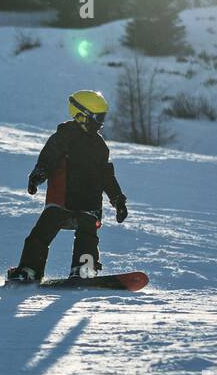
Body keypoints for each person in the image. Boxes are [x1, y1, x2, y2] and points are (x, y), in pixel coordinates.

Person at [7, 91, 128, 284]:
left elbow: (107, 176)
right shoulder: (63, 137)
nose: (100, 123)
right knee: (39, 235)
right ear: (81, 114)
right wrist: (38, 175)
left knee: (87, 236)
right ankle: (29, 270)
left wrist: (118, 200)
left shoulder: (100, 146)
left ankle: (84, 269)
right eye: (97, 118)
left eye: (102, 118)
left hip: (89, 203)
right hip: (62, 199)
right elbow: (48, 159)